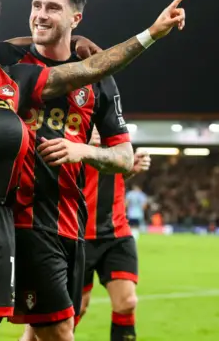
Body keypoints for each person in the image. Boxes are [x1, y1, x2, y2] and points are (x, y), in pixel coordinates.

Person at [0, 0, 185, 341]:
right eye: (36, 5)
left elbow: (117, 143)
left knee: (27, 330)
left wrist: (83, 150)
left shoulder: (65, 77)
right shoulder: (8, 60)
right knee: (56, 330)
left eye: (53, 8)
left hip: (65, 222)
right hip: (13, 217)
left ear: (76, 18)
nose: (40, 14)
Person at [78, 127, 151, 341]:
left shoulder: (114, 127)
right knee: (75, 310)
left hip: (116, 231)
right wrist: (79, 142)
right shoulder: (71, 122)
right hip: (77, 234)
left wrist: (130, 166)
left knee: (127, 303)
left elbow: (112, 176)